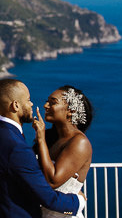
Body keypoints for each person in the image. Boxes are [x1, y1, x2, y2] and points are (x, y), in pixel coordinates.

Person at [0, 78, 84, 218]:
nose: (31, 104)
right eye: (28, 100)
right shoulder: (16, 146)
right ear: (15, 105)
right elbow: (48, 198)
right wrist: (78, 201)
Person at [32, 86, 94, 218]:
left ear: (71, 111)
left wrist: (41, 139)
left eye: (53, 102)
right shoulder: (52, 139)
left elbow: (53, 181)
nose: (45, 105)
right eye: (47, 101)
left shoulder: (79, 142)